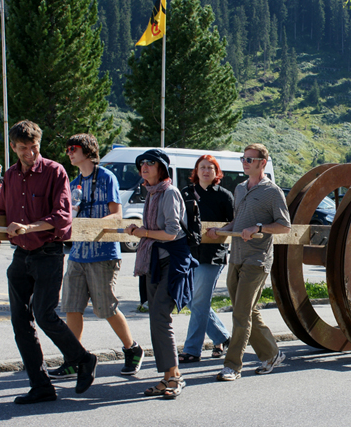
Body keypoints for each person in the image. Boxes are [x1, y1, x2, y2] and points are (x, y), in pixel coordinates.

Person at [0, 120, 97, 404]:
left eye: (34, 147)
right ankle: (41, 386)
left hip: (48, 253)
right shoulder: (11, 175)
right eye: (24, 148)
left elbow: (63, 217)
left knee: (44, 314)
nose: (31, 153)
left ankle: (83, 359)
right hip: (20, 255)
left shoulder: (55, 171)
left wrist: (28, 227)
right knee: (20, 322)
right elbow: (2, 213)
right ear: (14, 148)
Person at [50, 134, 143, 379]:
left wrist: (91, 227)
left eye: (74, 148)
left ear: (88, 151)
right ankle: (74, 359)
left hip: (103, 254)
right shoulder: (73, 184)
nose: (69, 152)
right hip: (77, 254)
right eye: (68, 148)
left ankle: (132, 349)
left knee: (106, 308)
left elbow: (116, 215)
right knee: (72, 307)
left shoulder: (106, 177)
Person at [212, 143, 291, 381]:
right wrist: (222, 230)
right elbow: (238, 220)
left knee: (241, 315)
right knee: (246, 311)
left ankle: (232, 365)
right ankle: (271, 354)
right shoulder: (239, 188)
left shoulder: (273, 192)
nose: (244, 163)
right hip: (235, 257)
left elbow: (285, 226)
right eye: (243, 159)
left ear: (262, 163)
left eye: (249, 160)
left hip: (257, 260)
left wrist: (259, 228)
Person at [125, 149, 197, 398]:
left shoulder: (168, 192)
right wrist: (140, 229)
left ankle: (174, 376)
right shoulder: (152, 193)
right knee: (156, 319)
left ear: (162, 168)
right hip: (155, 261)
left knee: (159, 318)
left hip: (171, 262)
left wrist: (141, 232)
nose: (144, 167)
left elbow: (170, 233)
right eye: (141, 164)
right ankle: (167, 377)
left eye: (150, 163)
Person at [178, 155, 235, 363]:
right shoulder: (184, 193)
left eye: (210, 168)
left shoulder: (224, 195)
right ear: (196, 170)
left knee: (200, 301)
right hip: (188, 254)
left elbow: (234, 222)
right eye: (202, 167)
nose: (205, 171)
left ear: (216, 172)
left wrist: (221, 230)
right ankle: (221, 336)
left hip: (213, 255)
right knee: (191, 300)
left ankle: (192, 350)